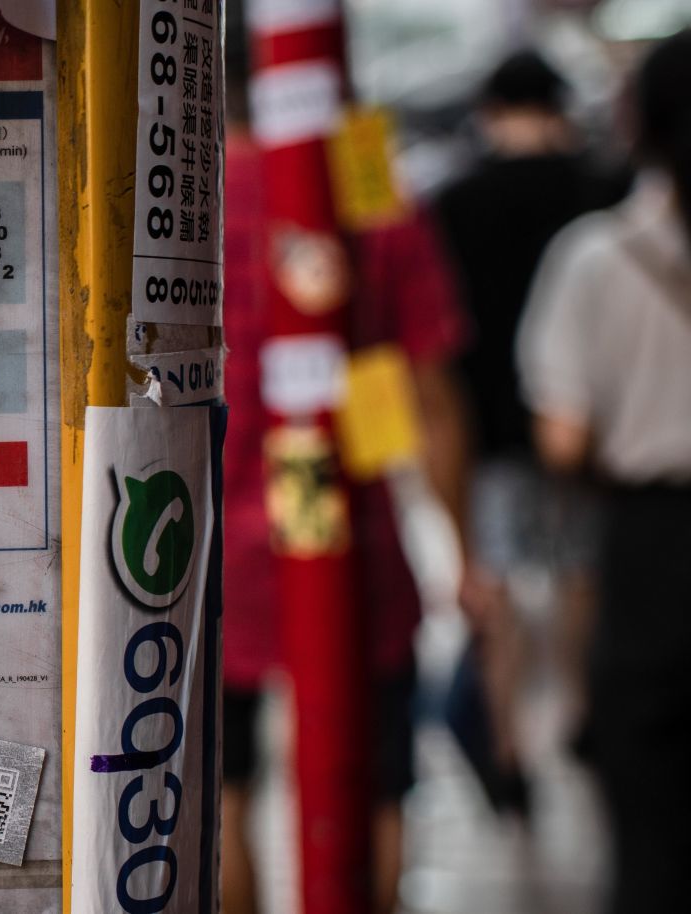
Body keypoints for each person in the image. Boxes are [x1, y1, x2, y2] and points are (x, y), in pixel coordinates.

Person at [220, 24, 474, 914]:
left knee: (221, 796)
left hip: (210, 551)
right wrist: (464, 551)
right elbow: (433, 396)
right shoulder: (374, 195)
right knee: (375, 783)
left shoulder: (179, 206)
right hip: (351, 539)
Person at [517, 30, 691, 914]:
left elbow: (563, 443)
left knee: (651, 820)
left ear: (642, 126)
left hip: (652, 550)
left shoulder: (594, 259)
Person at [433, 52, 627, 818]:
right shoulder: (600, 189)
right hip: (582, 428)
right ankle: (580, 719)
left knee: (500, 589)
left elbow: (444, 343)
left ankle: (509, 748)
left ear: (489, 109)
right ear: (557, 104)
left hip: (487, 432)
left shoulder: (455, 201)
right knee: (582, 575)